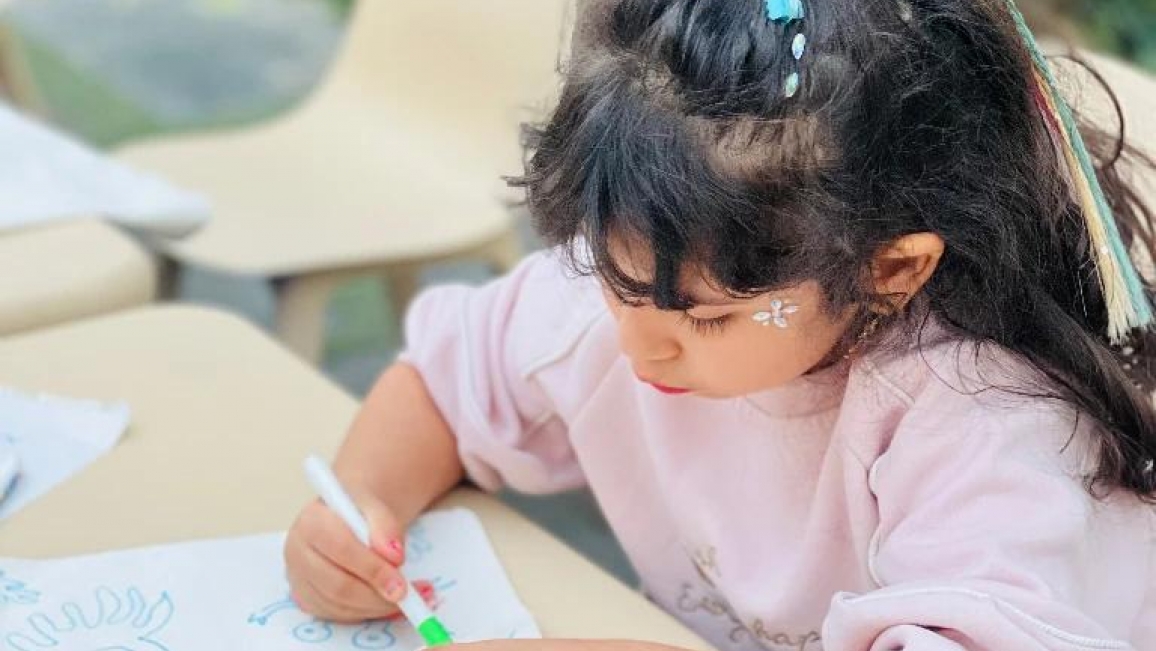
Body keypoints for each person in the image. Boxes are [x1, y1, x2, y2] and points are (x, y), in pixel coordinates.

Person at [284, 0, 1156, 648]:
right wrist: (364, 507)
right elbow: (447, 382)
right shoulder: (647, 279)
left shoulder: (987, 423)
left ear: (888, 271)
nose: (638, 343)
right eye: (610, 276)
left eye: (705, 318)